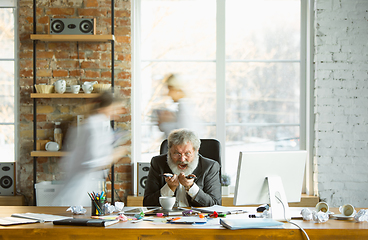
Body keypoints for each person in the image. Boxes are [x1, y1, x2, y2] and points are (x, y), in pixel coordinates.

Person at [52, 91, 128, 206]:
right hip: (77, 189)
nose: (118, 113)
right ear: (104, 107)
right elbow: (91, 162)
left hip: (81, 186)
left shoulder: (96, 124)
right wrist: (115, 155)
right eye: (115, 108)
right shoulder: (94, 126)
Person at [143, 128, 221, 207]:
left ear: (196, 151)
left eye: (187, 153)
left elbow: (215, 205)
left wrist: (191, 187)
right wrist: (169, 188)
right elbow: (148, 203)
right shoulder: (157, 163)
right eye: (177, 153)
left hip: (196, 218)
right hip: (166, 218)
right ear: (169, 151)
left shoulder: (210, 167)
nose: (182, 159)